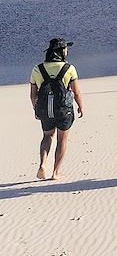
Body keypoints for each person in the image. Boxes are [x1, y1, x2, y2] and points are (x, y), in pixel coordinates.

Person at [29, 38, 85, 180]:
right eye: (66, 49)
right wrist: (81, 106)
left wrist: (36, 109)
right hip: (63, 110)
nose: (67, 51)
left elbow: (33, 94)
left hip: (45, 110)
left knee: (47, 136)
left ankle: (42, 164)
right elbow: (76, 92)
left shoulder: (37, 69)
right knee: (62, 140)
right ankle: (55, 172)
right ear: (62, 52)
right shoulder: (69, 68)